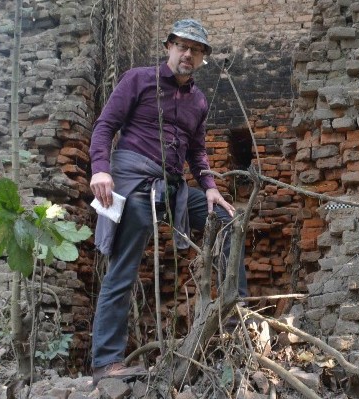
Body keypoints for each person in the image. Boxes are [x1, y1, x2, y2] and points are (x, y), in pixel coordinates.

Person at [88, 18, 249, 384]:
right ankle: (106, 362)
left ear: (203, 57)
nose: (187, 54)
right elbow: (105, 126)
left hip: (173, 187)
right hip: (132, 177)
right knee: (126, 259)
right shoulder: (137, 79)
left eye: (196, 49)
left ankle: (236, 315)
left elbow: (197, 151)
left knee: (224, 221)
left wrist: (208, 185)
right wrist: (100, 169)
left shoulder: (199, 101)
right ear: (169, 47)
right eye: (181, 46)